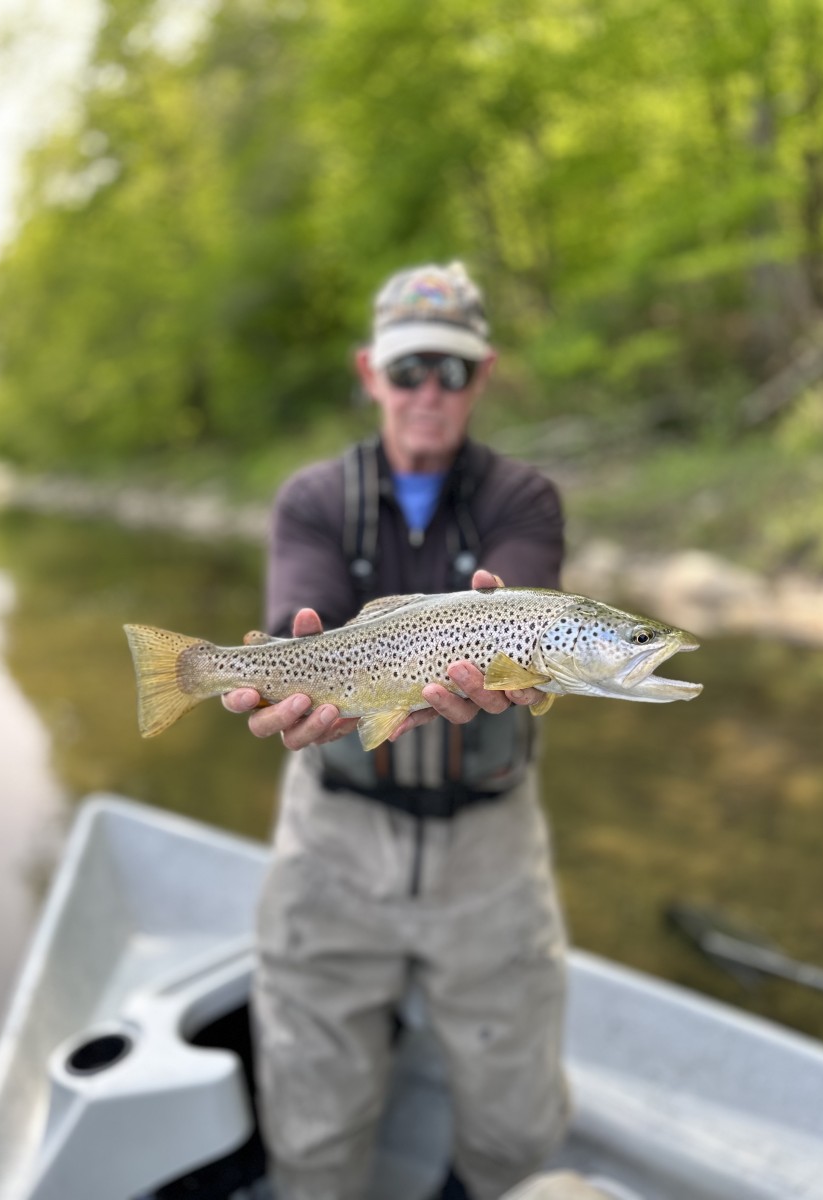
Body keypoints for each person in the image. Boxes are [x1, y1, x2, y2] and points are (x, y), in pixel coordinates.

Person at [223, 262, 570, 1200]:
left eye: (451, 372)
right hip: (333, 834)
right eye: (410, 368)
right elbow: (305, 616)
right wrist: (294, 673)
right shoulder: (312, 499)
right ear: (371, 371)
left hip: (491, 845)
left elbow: (521, 624)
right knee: (315, 1122)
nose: (428, 393)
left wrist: (500, 644)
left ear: (483, 376)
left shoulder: (524, 499)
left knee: (514, 1124)